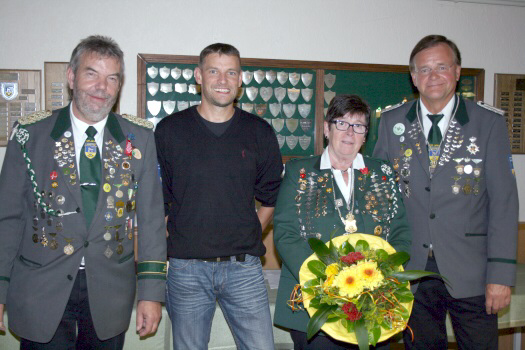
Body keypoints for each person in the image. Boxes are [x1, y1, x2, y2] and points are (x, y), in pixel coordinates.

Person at [0, 35, 167, 349]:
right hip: (40, 287)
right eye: (92, 74)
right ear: (71, 76)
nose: (101, 86)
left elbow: (151, 223)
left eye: (112, 78)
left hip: (109, 291)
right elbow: (7, 218)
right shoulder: (30, 134)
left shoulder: (139, 138)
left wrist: (151, 293)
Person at [373, 35, 519, 349]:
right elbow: (381, 199)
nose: (433, 76)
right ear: (413, 77)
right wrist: (381, 268)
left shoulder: (486, 123)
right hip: (411, 271)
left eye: (442, 67)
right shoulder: (392, 122)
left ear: (457, 72)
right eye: (424, 70)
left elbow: (504, 204)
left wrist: (502, 275)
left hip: (473, 272)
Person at [155, 43, 283, 350]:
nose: (222, 80)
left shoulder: (259, 132)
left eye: (231, 72)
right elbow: (159, 202)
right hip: (185, 269)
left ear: (241, 80)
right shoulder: (169, 131)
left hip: (243, 268)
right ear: (199, 76)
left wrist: (250, 231)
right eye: (214, 71)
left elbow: (271, 199)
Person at [274, 94, 411, 349]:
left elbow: (401, 231)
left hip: (375, 304)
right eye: (342, 123)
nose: (350, 132)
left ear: (365, 135)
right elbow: (286, 234)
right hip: (315, 304)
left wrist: (383, 276)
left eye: (358, 126)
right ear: (327, 128)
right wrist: (327, 282)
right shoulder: (299, 172)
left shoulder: (382, 173)